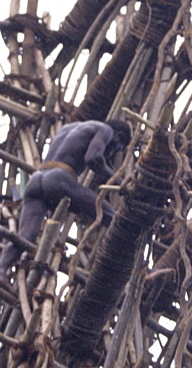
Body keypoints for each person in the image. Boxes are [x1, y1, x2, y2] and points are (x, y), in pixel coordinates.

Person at [0, 119, 131, 290]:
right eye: (116, 148)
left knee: (25, 235)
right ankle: (133, 269)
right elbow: (94, 158)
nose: (111, 151)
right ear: (118, 135)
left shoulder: (67, 128)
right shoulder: (105, 130)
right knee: (111, 215)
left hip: (36, 180)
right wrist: (121, 183)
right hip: (59, 180)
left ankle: (1, 270)